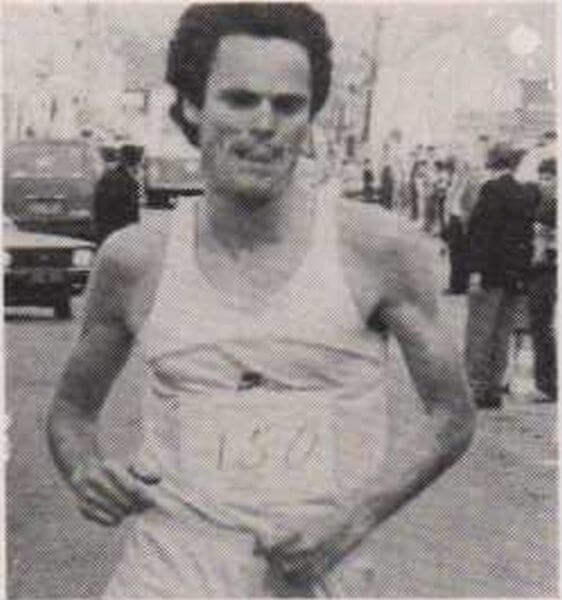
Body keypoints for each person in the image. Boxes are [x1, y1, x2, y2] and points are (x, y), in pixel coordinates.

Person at [47, 4, 474, 597]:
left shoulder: (377, 248)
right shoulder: (136, 259)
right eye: (240, 100)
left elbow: (451, 415)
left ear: (310, 118)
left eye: (288, 105)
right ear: (194, 106)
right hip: (165, 577)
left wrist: (351, 521)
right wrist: (86, 472)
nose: (265, 124)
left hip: (316, 582)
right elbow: (70, 413)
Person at [464, 143, 538, 409]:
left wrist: (473, 271)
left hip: (488, 274)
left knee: (480, 332)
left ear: (492, 162)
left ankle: (475, 388)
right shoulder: (525, 194)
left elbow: (481, 234)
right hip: (513, 277)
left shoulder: (492, 190)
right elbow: (526, 238)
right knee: (502, 333)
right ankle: (494, 389)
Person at [528, 158, 557, 402]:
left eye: (548, 177)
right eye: (543, 177)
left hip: (546, 271)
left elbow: (539, 244)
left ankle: (546, 384)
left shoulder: (547, 204)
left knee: (541, 325)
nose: (544, 182)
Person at [93, 144, 143, 245]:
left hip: (105, 229)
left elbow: (98, 204)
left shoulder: (107, 176)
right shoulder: (129, 181)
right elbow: (131, 209)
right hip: (120, 230)